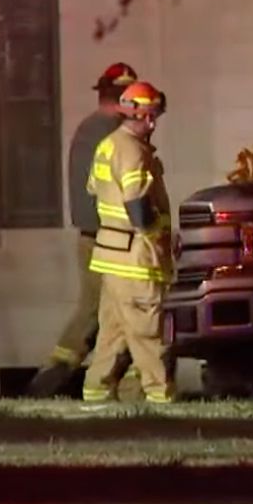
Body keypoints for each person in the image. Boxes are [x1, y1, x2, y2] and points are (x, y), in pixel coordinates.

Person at [25, 62, 139, 398]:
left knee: (106, 311)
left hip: (96, 235)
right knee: (116, 310)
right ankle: (53, 381)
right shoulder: (112, 136)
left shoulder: (89, 131)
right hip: (111, 238)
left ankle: (77, 379)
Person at [81, 80, 175, 407]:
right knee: (148, 331)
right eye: (153, 116)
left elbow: (94, 188)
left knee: (114, 331)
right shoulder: (134, 150)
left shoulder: (107, 145)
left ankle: (96, 391)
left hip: (109, 255)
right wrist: (158, 236)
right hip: (136, 257)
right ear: (146, 117)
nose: (154, 123)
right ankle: (160, 393)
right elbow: (137, 204)